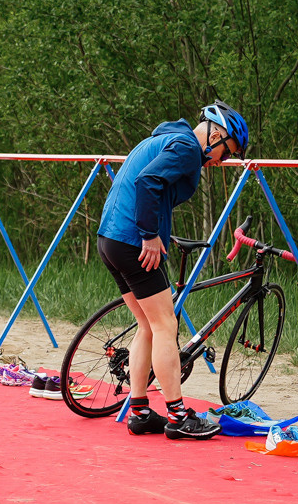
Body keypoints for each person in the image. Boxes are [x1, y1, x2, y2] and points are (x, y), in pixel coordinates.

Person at [91, 103, 249, 441]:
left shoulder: (170, 139)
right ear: (216, 134)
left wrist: (155, 230)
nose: (222, 162)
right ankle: (178, 415)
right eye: (227, 152)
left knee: (147, 326)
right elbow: (148, 181)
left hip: (111, 238)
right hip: (132, 240)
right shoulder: (188, 147)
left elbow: (142, 185)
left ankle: (140, 411)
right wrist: (149, 235)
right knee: (166, 325)